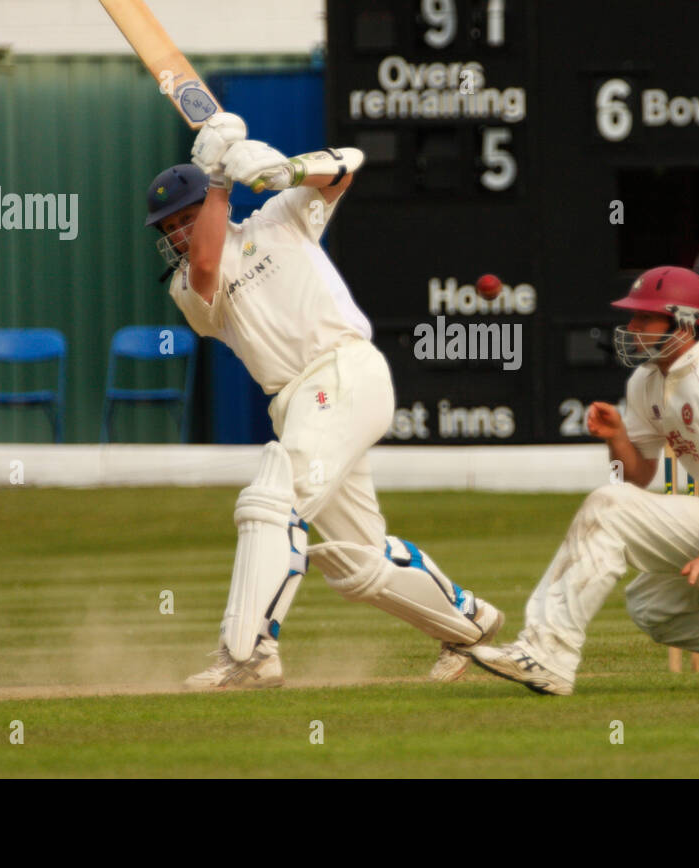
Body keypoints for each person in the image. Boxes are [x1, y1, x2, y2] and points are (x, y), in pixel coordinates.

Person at [145, 112, 502, 689]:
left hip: (342, 372)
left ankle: (250, 653)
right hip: (299, 401)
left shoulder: (277, 218)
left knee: (273, 495)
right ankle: (469, 623)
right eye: (169, 228)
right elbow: (209, 263)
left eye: (184, 220)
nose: (177, 236)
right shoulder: (187, 288)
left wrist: (286, 170)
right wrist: (216, 177)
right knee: (355, 561)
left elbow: (346, 168)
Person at [467, 266, 699, 695]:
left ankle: (548, 654)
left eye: (644, 318)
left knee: (607, 506)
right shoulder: (646, 382)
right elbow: (636, 476)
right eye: (633, 318)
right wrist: (618, 438)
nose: (631, 328)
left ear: (684, 322)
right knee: (652, 606)